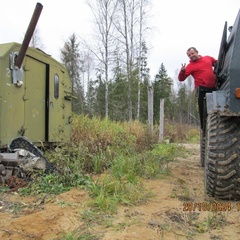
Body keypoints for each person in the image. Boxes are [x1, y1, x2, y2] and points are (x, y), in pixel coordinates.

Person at [178, 47, 217, 129]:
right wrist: (182, 71)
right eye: (189, 55)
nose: (191, 56)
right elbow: (181, 79)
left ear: (197, 52)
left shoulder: (208, 59)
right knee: (202, 111)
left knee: (216, 110)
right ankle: (204, 129)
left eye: (192, 54)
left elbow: (218, 64)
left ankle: (215, 127)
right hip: (201, 90)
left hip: (214, 88)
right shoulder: (190, 66)